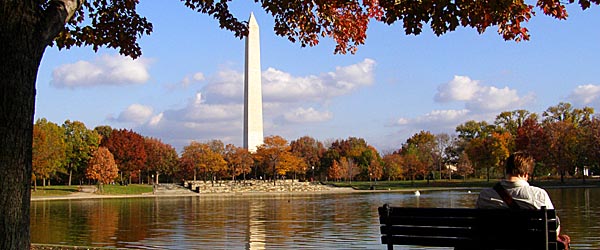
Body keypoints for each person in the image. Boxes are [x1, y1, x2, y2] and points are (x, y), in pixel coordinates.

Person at [476, 152, 570, 249]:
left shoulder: (485, 196)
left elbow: (477, 227)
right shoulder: (538, 194)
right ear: (526, 174)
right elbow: (553, 231)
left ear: (506, 171)